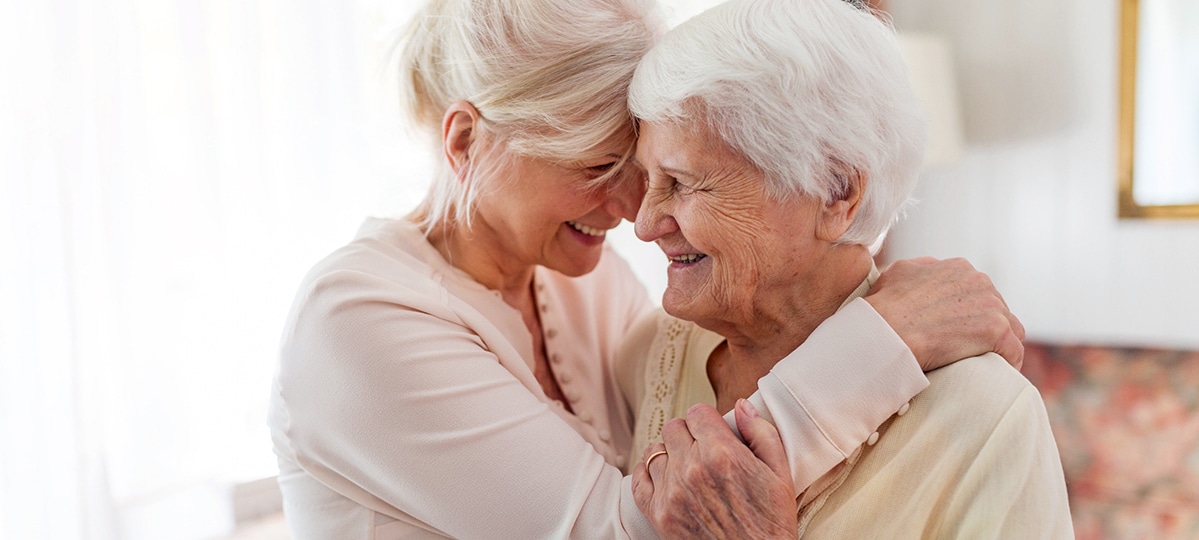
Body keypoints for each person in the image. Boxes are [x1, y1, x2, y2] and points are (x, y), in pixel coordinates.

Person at [267, 0, 1028, 537]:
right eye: (599, 165)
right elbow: (626, 524)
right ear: (465, 143)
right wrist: (881, 339)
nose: (633, 211)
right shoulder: (359, 320)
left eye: (651, 168)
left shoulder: (583, 282)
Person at [620, 0, 1074, 537]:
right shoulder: (650, 353)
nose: (645, 224)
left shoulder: (988, 417)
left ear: (836, 192)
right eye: (646, 177)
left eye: (684, 181)